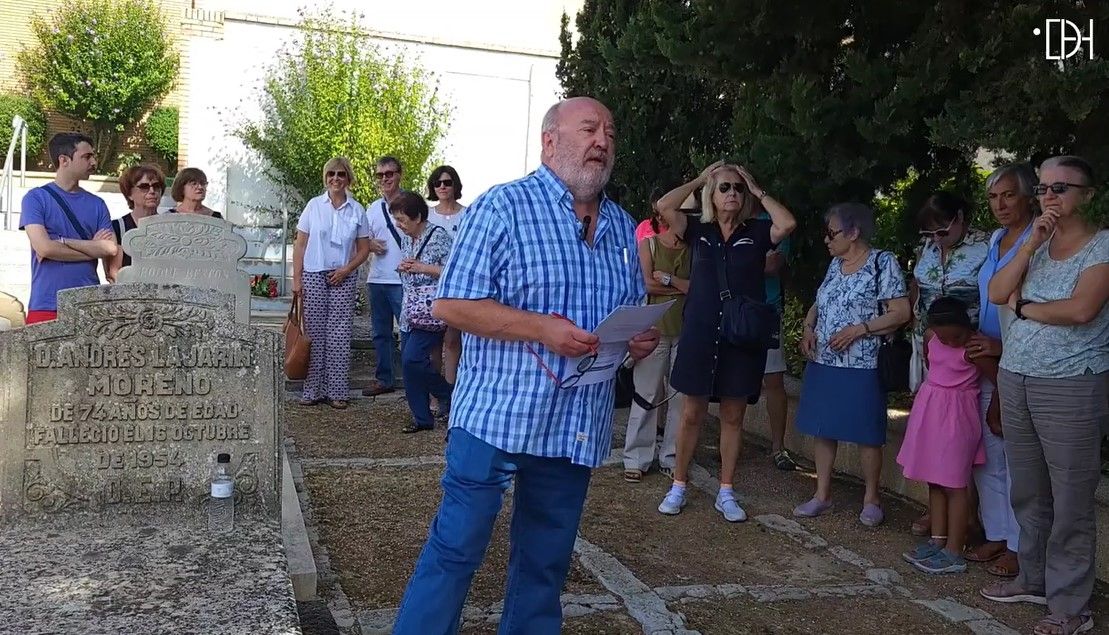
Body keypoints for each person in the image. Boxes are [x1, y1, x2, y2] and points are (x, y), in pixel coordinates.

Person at [392, 97, 656, 635]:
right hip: (497, 416)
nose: (602, 142)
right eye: (589, 129)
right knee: (455, 551)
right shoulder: (503, 207)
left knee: (544, 565)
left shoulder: (623, 227)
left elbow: (623, 314)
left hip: (575, 423)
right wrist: (541, 328)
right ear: (549, 142)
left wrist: (636, 340)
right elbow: (451, 305)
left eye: (610, 133)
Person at [980, 155, 1108, 635]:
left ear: (1087, 194)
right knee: (1029, 488)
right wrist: (1031, 242)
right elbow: (997, 291)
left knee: (1071, 496)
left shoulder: (1102, 246)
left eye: (1060, 188)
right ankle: (1033, 578)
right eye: (1043, 188)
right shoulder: (1038, 242)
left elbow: (1081, 310)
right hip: (1016, 376)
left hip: (1071, 382)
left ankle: (1071, 606)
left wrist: (1026, 307)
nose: (1048, 196)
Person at [654, 161, 798, 522]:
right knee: (692, 413)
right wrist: (701, 178)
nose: (732, 192)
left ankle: (726, 491)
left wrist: (756, 186)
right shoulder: (698, 229)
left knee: (733, 416)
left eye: (738, 188)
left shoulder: (758, 230)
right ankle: (678, 485)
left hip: (740, 337)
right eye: (725, 187)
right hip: (701, 333)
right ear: (712, 195)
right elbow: (664, 206)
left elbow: (787, 224)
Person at [792, 203, 910, 527]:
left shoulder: (882, 263)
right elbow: (820, 302)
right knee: (823, 427)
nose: (826, 240)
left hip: (863, 362)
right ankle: (822, 494)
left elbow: (900, 312)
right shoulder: (836, 264)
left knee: (866, 431)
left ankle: (872, 498)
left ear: (854, 232)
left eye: (832, 233)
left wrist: (860, 329)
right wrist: (808, 328)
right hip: (825, 360)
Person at [963, 163, 1038, 578]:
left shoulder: (1036, 242)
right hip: (984, 358)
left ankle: (1019, 545)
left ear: (1028, 196)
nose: (1000, 204)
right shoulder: (995, 239)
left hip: (1016, 358)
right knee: (988, 454)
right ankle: (997, 532)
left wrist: (1001, 346)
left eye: (1008, 195)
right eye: (993, 197)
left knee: (1015, 455)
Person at [907, 191, 989, 537]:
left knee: (964, 436)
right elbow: (918, 286)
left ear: (960, 218)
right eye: (929, 233)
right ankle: (939, 511)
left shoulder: (985, 246)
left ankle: (968, 514)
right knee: (937, 434)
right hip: (930, 344)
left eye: (942, 231)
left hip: (968, 348)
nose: (936, 239)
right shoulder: (927, 247)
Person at [898, 297, 993, 575]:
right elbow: (932, 362)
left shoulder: (975, 348)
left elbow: (998, 378)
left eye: (957, 337)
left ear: (966, 327)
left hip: (957, 418)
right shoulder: (932, 338)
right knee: (935, 480)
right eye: (944, 337)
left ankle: (954, 549)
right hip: (930, 413)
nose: (951, 342)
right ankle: (938, 540)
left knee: (955, 484)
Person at [291, 157, 372, 409]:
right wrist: (296, 279)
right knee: (314, 333)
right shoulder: (314, 206)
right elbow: (300, 244)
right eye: (331, 174)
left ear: (348, 178)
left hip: (343, 276)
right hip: (314, 273)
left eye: (341, 174)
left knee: (339, 334)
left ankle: (337, 391)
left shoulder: (357, 210)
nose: (335, 179)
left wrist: (347, 269)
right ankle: (312, 390)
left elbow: (364, 249)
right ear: (325, 178)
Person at [622, 194, 690, 483]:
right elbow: (645, 283)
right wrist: (681, 287)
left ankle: (671, 456)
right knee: (646, 394)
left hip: (686, 330)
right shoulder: (648, 243)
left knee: (680, 398)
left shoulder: (694, 248)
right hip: (654, 330)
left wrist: (667, 279)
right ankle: (636, 458)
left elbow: (697, 287)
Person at [19, 133, 117, 324]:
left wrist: (62, 242)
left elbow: (110, 248)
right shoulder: (35, 198)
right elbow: (45, 248)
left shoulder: (97, 204)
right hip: (47, 303)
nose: (94, 162)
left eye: (94, 156)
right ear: (64, 160)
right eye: (86, 157)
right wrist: (93, 248)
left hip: (89, 304)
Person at [391, 190, 454, 433]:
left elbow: (453, 272)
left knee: (412, 359)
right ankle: (422, 417)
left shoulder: (439, 237)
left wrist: (422, 268)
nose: (399, 225)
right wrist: (405, 267)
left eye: (402, 220)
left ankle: (448, 393)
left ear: (417, 217)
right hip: (410, 310)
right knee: (409, 366)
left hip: (430, 311)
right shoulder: (407, 239)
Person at [362, 156, 406, 397]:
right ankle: (384, 379)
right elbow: (361, 240)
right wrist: (369, 244)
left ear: (399, 175)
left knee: (410, 332)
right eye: (380, 175)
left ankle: (414, 382)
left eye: (389, 173)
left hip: (404, 279)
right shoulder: (372, 208)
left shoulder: (411, 203)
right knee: (381, 333)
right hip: (377, 278)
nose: (385, 179)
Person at [759, 207, 799, 470]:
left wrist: (740, 261)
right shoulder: (727, 220)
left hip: (768, 310)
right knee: (733, 379)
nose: (734, 192)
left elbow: (773, 265)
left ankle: (778, 448)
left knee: (773, 380)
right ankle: (727, 443)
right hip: (735, 311)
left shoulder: (773, 222)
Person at [426, 165, 467, 412]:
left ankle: (449, 395)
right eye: (438, 183)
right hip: (430, 286)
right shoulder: (427, 215)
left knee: (453, 342)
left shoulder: (468, 214)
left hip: (457, 285)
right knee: (433, 345)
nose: (442, 187)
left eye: (447, 182)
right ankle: (433, 395)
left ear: (455, 185)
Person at [108, 163, 165, 280]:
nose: (152, 191)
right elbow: (114, 272)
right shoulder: (118, 227)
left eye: (156, 186)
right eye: (144, 187)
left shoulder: (169, 226)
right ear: (130, 194)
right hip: (128, 289)